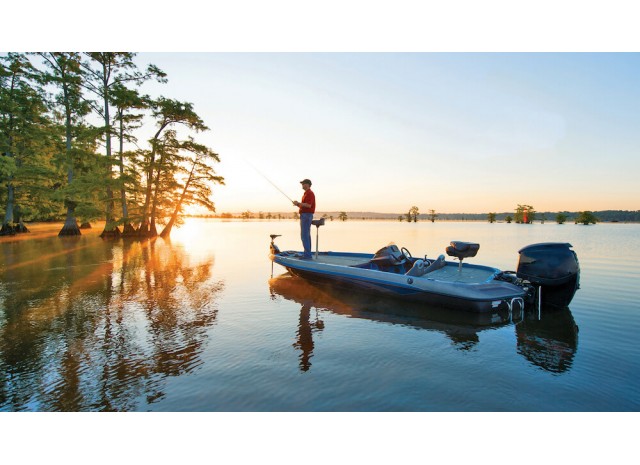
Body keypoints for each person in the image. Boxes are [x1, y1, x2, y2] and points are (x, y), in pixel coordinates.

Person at [293, 178, 315, 259]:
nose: (302, 185)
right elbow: (304, 205)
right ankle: (307, 253)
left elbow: (309, 205)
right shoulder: (306, 194)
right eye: (302, 184)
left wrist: (298, 203)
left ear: (308, 184)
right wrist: (297, 204)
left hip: (306, 215)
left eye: (303, 183)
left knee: (304, 235)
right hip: (305, 215)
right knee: (306, 235)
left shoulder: (310, 193)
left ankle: (307, 255)